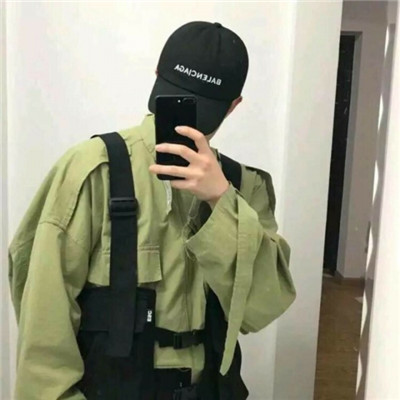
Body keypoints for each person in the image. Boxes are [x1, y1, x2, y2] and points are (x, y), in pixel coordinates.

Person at [8, 21, 296, 400]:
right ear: (157, 75)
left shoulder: (245, 186)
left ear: (233, 106)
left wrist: (221, 200)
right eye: (179, 97)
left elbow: (262, 308)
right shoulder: (93, 170)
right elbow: (44, 324)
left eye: (204, 107)